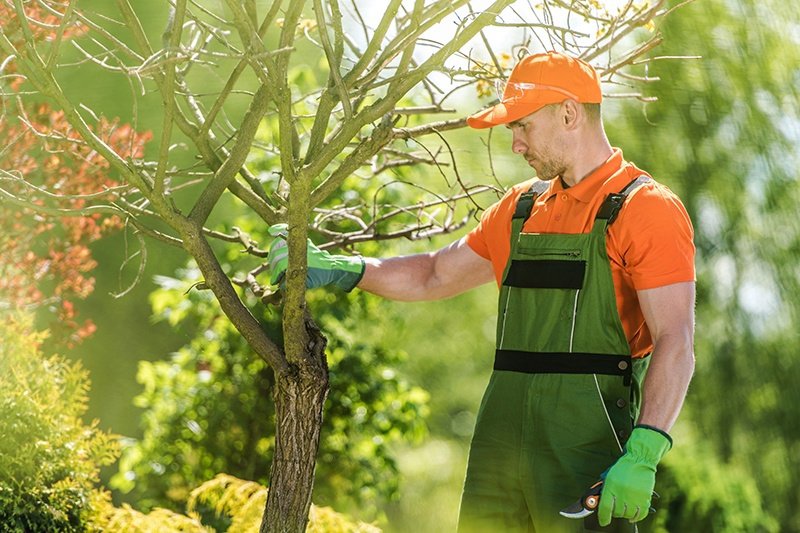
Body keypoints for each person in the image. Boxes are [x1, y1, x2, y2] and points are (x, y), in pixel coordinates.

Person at [267, 51, 695, 532]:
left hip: (583, 450)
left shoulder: (645, 209)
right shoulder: (521, 207)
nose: (514, 145)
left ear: (570, 114)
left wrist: (645, 450)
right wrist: (344, 268)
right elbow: (434, 273)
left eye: (523, 127)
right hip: (498, 451)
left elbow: (675, 339)